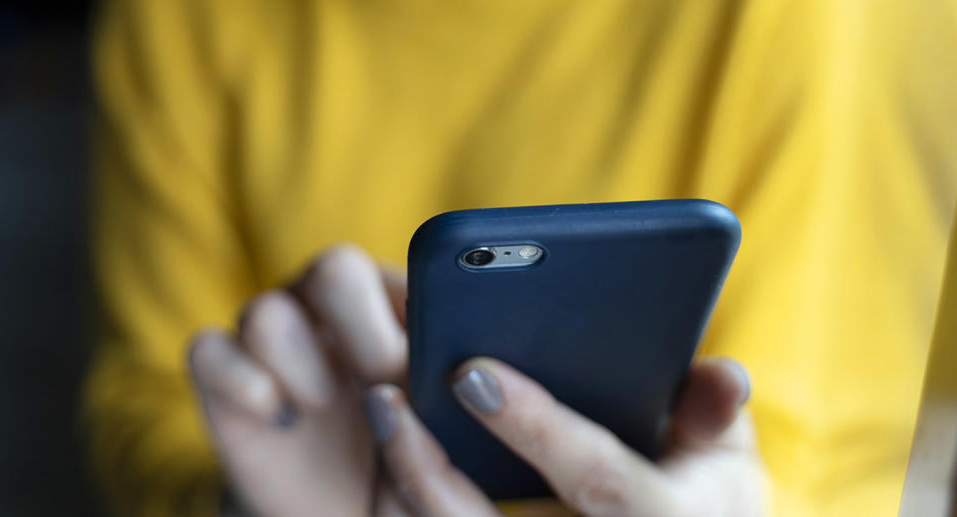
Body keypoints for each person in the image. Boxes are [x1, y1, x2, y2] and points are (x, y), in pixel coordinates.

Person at [84, 0, 957, 515]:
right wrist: (256, 492)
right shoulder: (178, 24)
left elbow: (841, 466)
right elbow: (149, 408)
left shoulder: (840, 23)